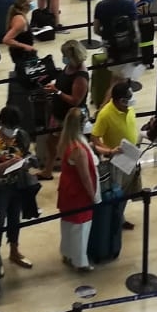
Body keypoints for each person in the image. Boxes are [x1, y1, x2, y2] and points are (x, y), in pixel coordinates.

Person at [0, 105, 36, 269]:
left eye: (15, 127)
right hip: (0, 188)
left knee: (15, 219)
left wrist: (26, 163)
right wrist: (8, 163)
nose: (12, 130)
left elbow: (27, 154)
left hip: (18, 184)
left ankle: (14, 250)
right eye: (9, 126)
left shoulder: (20, 137)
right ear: (1, 122)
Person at [91, 80, 140, 232]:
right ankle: (113, 220)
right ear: (120, 100)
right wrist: (110, 151)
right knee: (116, 191)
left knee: (127, 191)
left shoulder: (130, 108)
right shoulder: (105, 114)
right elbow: (95, 138)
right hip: (116, 161)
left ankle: (120, 217)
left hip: (132, 156)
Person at [56, 107, 97, 272]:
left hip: (66, 190)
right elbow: (85, 177)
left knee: (67, 226)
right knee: (81, 229)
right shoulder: (78, 150)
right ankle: (80, 262)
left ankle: (67, 254)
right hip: (78, 194)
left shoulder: (67, 141)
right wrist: (93, 196)